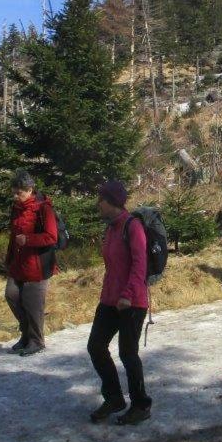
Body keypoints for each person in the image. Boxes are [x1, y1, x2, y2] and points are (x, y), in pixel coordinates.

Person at [88, 180, 152, 426]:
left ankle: (141, 405)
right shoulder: (111, 228)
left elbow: (140, 264)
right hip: (110, 299)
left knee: (127, 353)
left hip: (132, 300)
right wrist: (109, 294)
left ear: (112, 201)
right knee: (95, 346)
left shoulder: (132, 226)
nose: (98, 204)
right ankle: (114, 398)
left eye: (101, 200)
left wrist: (127, 293)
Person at [4, 170, 58, 356]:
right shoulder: (16, 208)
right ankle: (26, 334)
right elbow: (13, 236)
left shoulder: (44, 208)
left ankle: (36, 340)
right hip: (18, 263)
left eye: (18, 192)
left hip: (38, 265)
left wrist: (28, 240)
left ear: (29, 190)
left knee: (33, 304)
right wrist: (9, 258)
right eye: (14, 192)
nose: (15, 196)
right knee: (11, 294)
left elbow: (51, 237)